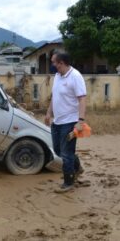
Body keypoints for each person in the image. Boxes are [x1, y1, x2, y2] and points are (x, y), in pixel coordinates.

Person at [44, 51, 87, 193]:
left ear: (61, 63)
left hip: (70, 121)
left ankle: (68, 182)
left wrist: (80, 121)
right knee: (58, 150)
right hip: (58, 121)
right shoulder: (57, 76)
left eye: (53, 62)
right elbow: (54, 97)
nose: (52, 65)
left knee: (66, 153)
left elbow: (82, 99)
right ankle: (77, 167)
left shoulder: (75, 76)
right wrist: (49, 113)